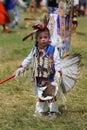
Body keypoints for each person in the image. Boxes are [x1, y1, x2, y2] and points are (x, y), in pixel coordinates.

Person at [14, 27, 62, 118]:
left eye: (45, 37)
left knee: (50, 94)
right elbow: (28, 59)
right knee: (41, 93)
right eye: (40, 37)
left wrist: (58, 72)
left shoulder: (53, 49)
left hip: (50, 77)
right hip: (39, 77)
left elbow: (57, 61)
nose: (43, 39)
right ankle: (40, 110)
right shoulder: (35, 50)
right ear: (36, 39)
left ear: (49, 37)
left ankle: (53, 111)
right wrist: (21, 67)